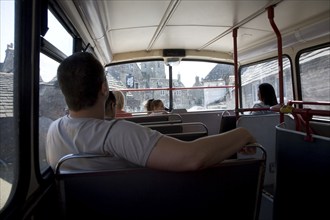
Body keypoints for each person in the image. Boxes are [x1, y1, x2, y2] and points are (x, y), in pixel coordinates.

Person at [46, 52, 256, 172]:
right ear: (104, 89)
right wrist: (243, 133)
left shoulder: (53, 131)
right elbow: (192, 157)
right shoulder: (116, 133)